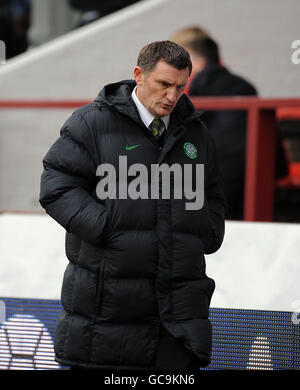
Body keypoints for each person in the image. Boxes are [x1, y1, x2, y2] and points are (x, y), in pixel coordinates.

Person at [39, 40, 227, 370]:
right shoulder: (90, 124)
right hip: (105, 316)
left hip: (178, 318)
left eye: (181, 87)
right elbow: (56, 185)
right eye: (164, 84)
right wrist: (104, 226)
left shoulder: (196, 133)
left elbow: (212, 193)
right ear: (139, 75)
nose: (173, 96)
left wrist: (207, 233)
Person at [179, 36, 258, 220]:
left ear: (198, 64)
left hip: (215, 181)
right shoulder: (243, 84)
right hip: (253, 174)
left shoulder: (198, 87)